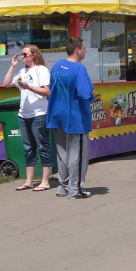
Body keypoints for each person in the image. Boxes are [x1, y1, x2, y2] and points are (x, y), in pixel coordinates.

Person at [47, 37, 95, 199]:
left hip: (57, 114)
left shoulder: (58, 65)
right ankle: (76, 188)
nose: (85, 50)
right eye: (84, 47)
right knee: (77, 154)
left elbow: (51, 86)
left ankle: (63, 186)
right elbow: (84, 93)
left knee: (62, 152)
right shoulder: (79, 69)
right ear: (77, 50)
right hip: (76, 117)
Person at [3, 45, 54, 191]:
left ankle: (45, 180)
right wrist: (12, 66)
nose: (23, 57)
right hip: (24, 115)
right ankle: (29, 181)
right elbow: (6, 84)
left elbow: (47, 91)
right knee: (28, 148)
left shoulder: (41, 70)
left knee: (43, 146)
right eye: (22, 55)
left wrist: (29, 87)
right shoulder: (22, 71)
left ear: (34, 55)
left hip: (39, 114)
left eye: (25, 54)